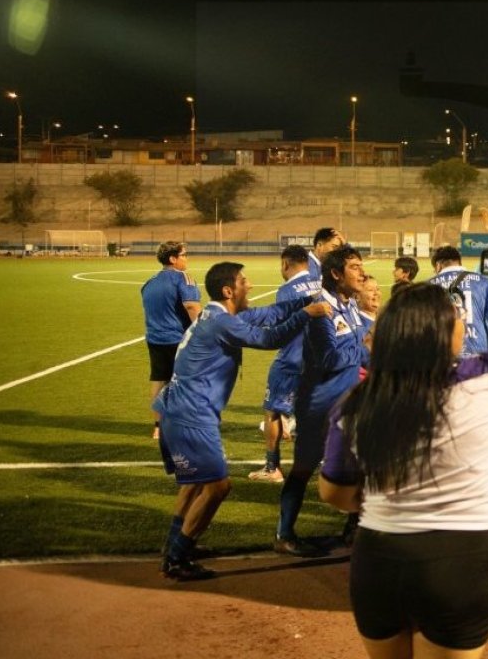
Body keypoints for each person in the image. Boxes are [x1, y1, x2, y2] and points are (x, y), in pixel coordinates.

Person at [318, 250, 488, 659]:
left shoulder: (355, 403)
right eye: (455, 315)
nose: (462, 319)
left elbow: (334, 493)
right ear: (442, 335)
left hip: (378, 559)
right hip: (461, 561)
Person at [155, 262, 328, 580]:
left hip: (178, 410)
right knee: (218, 487)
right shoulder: (222, 323)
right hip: (191, 415)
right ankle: (178, 557)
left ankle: (174, 546)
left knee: (195, 484)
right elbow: (269, 338)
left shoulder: (218, 315)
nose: (249, 286)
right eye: (244, 281)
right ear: (228, 290)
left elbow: (271, 314)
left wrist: (309, 298)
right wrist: (307, 313)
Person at [275, 245, 368, 558]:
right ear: (336, 274)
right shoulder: (321, 310)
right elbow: (330, 358)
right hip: (320, 406)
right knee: (303, 469)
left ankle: (354, 529)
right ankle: (284, 534)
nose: (362, 273)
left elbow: (359, 352)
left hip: (348, 403)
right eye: (355, 267)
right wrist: (365, 349)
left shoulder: (349, 307)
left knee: (363, 465)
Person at [250, 245, 322, 483]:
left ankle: (272, 468)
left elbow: (284, 326)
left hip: (292, 359)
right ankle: (324, 465)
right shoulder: (321, 283)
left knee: (272, 411)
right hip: (320, 360)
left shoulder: (287, 290)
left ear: (285, 264)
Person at [141, 241, 201, 439]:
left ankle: (158, 427)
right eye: (184, 254)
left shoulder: (150, 282)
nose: (187, 258)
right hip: (179, 339)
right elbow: (192, 306)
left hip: (155, 339)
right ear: (173, 259)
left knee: (159, 380)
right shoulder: (183, 278)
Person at [428, 246, 488, 358]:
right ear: (459, 262)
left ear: (438, 265)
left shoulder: (428, 285)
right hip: (478, 353)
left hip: (442, 355)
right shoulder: (483, 282)